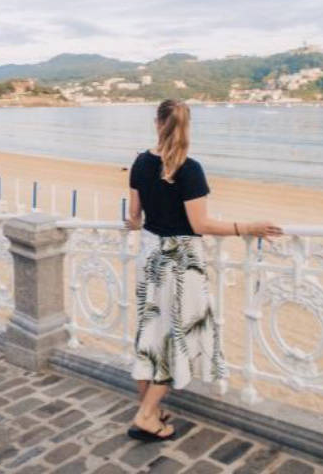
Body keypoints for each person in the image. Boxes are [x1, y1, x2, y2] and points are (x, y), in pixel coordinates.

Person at [124, 99, 282, 441]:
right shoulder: (189, 169)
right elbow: (201, 224)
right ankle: (147, 415)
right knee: (177, 336)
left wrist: (137, 221)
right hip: (181, 264)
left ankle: (148, 408)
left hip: (149, 257)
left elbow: (134, 217)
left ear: (157, 122)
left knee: (150, 334)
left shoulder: (139, 162)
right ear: (187, 126)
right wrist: (248, 227)